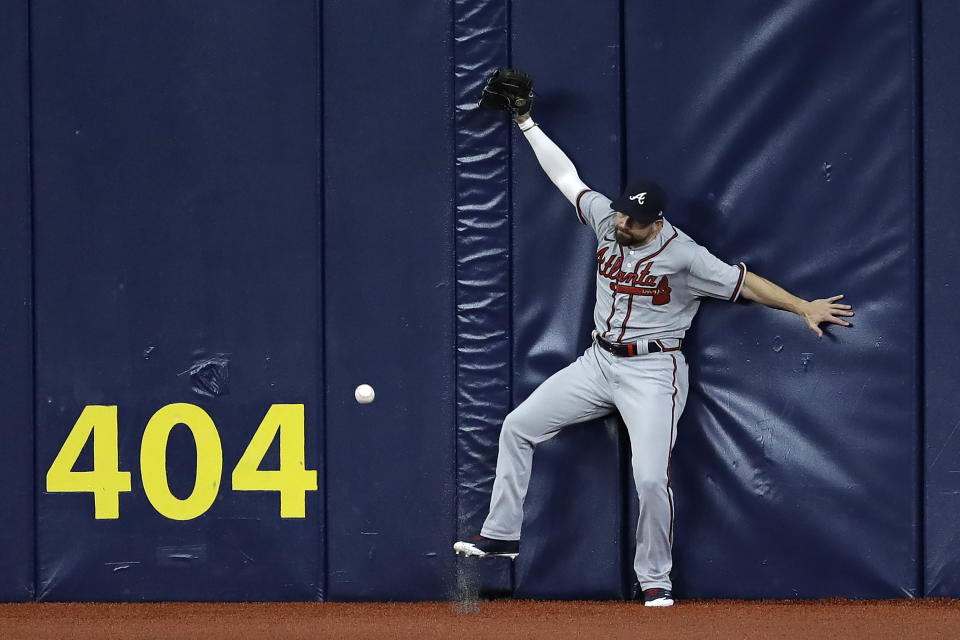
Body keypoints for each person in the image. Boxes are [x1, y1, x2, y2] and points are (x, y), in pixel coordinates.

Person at [454, 70, 855, 607]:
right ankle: (501, 535)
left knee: (649, 478)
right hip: (597, 362)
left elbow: (746, 283)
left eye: (634, 219)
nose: (623, 221)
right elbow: (566, 179)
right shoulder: (607, 221)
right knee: (517, 426)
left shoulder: (684, 255)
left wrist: (803, 305)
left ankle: (656, 578)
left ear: (655, 221)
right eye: (621, 211)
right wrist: (526, 122)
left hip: (652, 372)